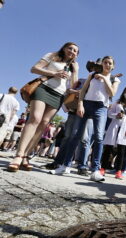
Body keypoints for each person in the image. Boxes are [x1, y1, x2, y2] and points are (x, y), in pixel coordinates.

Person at [7, 42, 79, 172]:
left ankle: (26, 156)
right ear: (64, 48)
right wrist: (54, 73)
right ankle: (18, 155)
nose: (72, 52)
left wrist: (76, 71)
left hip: (59, 95)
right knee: (35, 118)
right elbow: (34, 68)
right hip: (44, 88)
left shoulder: (72, 66)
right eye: (70, 48)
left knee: (44, 123)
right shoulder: (52, 55)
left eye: (75, 51)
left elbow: (73, 85)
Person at [51, 56, 120, 182]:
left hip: (101, 107)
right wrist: (80, 104)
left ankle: (95, 170)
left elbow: (112, 94)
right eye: (105, 62)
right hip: (86, 104)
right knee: (75, 135)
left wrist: (105, 78)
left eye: (110, 63)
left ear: (113, 66)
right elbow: (83, 91)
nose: (107, 65)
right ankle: (65, 165)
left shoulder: (114, 79)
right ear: (102, 64)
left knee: (99, 137)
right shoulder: (93, 74)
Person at [102, 86, 126, 179]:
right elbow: (109, 113)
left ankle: (118, 171)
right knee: (108, 148)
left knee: (121, 150)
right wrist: (116, 115)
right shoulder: (117, 102)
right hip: (114, 126)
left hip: (124, 128)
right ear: (123, 91)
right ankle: (103, 169)